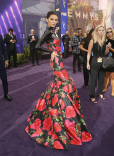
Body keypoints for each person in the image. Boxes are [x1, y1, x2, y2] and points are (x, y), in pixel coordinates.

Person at [25, 11, 92, 150]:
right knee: (66, 84)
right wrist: (51, 52)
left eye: (56, 19)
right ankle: (63, 117)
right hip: (55, 61)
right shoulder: (48, 32)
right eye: (52, 19)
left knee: (60, 85)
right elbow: (37, 45)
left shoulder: (54, 32)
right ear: (47, 20)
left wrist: (55, 52)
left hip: (59, 60)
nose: (54, 21)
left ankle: (49, 110)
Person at [87, 25, 111, 103]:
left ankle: (100, 92)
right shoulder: (92, 41)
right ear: (96, 31)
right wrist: (88, 63)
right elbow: (89, 53)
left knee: (101, 79)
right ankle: (92, 95)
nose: (101, 32)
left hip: (102, 62)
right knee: (93, 79)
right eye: (100, 30)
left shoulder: (105, 41)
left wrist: (108, 47)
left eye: (102, 30)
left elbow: (105, 53)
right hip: (94, 61)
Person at [0, 34, 13, 101]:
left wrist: (6, 59)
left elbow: (3, 49)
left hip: (1, 63)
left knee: (4, 79)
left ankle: (6, 94)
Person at [103, 28, 114, 97]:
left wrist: (109, 48)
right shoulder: (105, 41)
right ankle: (105, 88)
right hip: (106, 60)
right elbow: (104, 52)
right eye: (107, 32)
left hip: (113, 60)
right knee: (106, 75)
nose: (109, 33)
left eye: (110, 32)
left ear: (112, 33)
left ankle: (113, 91)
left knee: (112, 77)